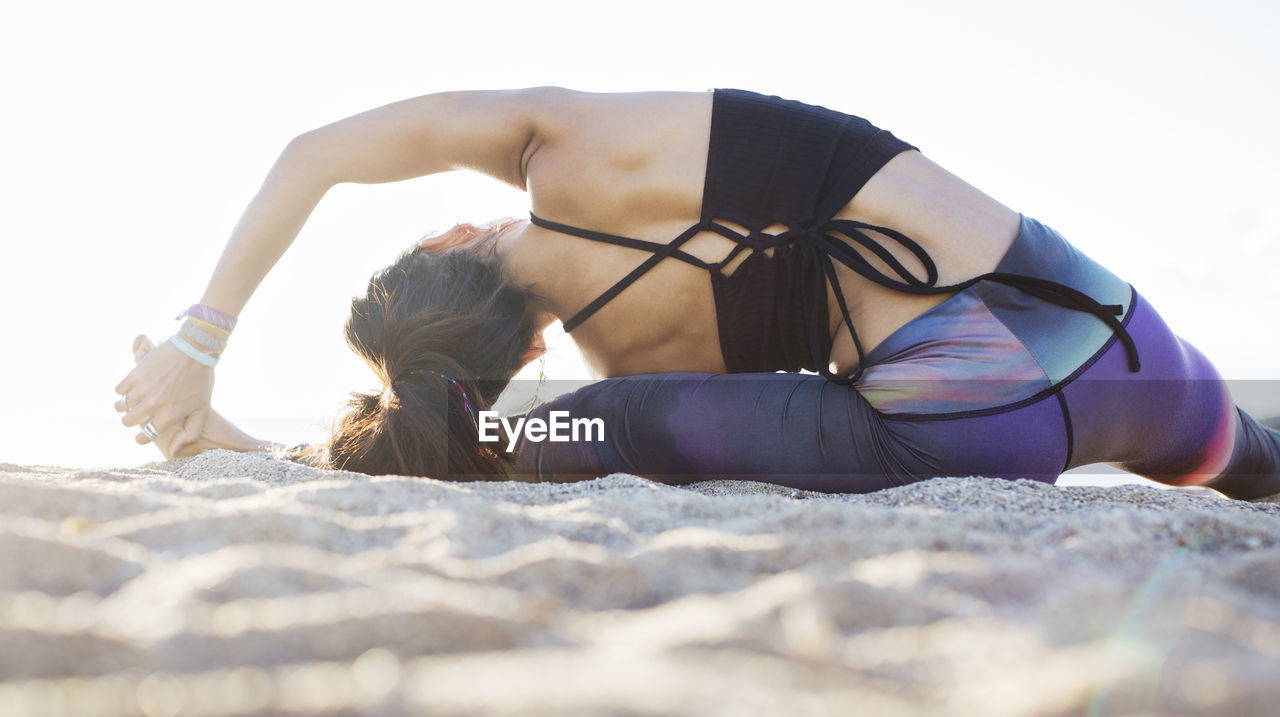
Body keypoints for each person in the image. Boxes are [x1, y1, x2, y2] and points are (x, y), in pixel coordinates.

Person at [114, 87, 1280, 498]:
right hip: (1115, 335)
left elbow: (460, 439)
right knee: (1252, 455)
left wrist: (213, 414)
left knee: (552, 440)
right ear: (448, 230)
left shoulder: (618, 362)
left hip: (963, 423)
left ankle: (250, 454)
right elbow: (316, 148)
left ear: (518, 354)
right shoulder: (567, 139)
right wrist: (201, 336)